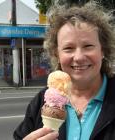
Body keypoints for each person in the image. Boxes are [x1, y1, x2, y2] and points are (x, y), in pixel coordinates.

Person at [13, 1, 115, 140]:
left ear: (103, 50)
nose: (78, 57)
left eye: (88, 46)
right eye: (68, 48)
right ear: (57, 54)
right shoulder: (40, 102)